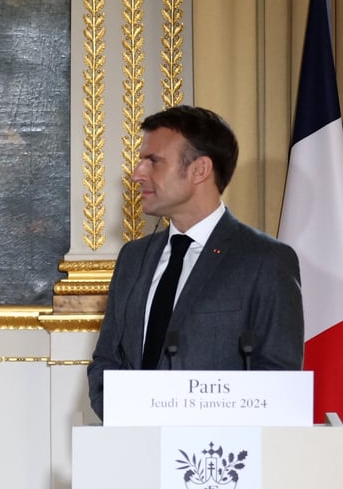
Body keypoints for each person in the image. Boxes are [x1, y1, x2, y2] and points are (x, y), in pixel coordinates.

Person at [87, 105, 303, 420]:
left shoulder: (266, 261)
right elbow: (106, 362)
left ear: (199, 170)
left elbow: (279, 379)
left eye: (153, 161)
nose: (137, 174)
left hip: (217, 460)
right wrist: (129, 423)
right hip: (133, 453)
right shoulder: (133, 258)